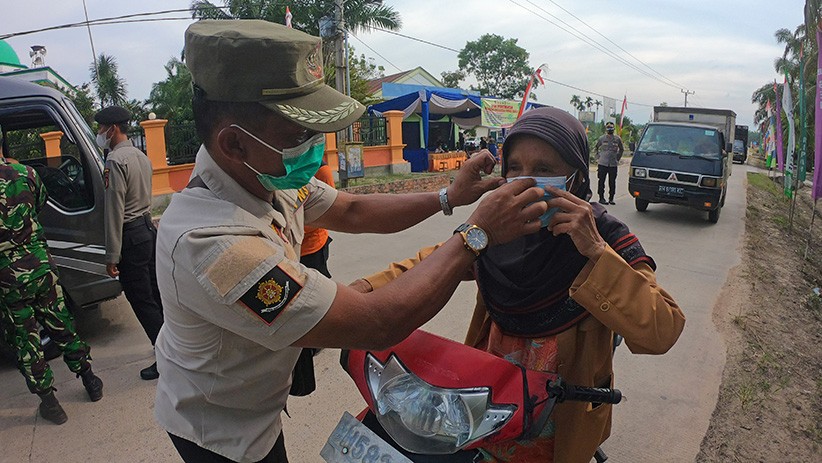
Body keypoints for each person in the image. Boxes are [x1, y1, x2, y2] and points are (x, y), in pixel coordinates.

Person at [153, 19, 546, 463]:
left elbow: (351, 210)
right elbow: (377, 323)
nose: (317, 145)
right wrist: (477, 234)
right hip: (220, 428)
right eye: (300, 135)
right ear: (233, 144)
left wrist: (447, 197)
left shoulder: (263, 174)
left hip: (253, 396)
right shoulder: (212, 244)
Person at [356, 107, 686, 462]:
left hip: (560, 423)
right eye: (515, 168)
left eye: (544, 170)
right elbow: (427, 265)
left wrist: (596, 253)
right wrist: (354, 295)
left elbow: (661, 330)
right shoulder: (497, 233)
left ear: (574, 178)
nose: (526, 181)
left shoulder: (603, 235)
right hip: (488, 410)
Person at [0, 155, 103, 425]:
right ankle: (90, 380)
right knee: (61, 323)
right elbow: (39, 204)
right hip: (40, 266)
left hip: (8, 279)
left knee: (26, 340)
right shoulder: (27, 173)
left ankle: (51, 404)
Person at [95, 106, 164, 381]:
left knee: (141, 298)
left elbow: (114, 209)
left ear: (112, 129)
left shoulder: (114, 161)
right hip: (148, 230)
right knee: (157, 295)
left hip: (131, 237)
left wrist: (111, 255)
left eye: (101, 128)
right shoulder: (140, 155)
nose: (100, 133)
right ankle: (173, 348)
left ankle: (166, 358)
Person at [594, 121, 624, 205]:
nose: (610, 130)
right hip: (602, 163)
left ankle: (611, 198)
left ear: (614, 129)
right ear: (606, 129)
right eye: (608, 128)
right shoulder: (602, 138)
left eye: (611, 128)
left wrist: (617, 159)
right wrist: (598, 158)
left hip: (613, 164)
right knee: (601, 181)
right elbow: (595, 148)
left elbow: (621, 149)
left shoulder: (617, 139)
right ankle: (601, 198)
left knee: (612, 182)